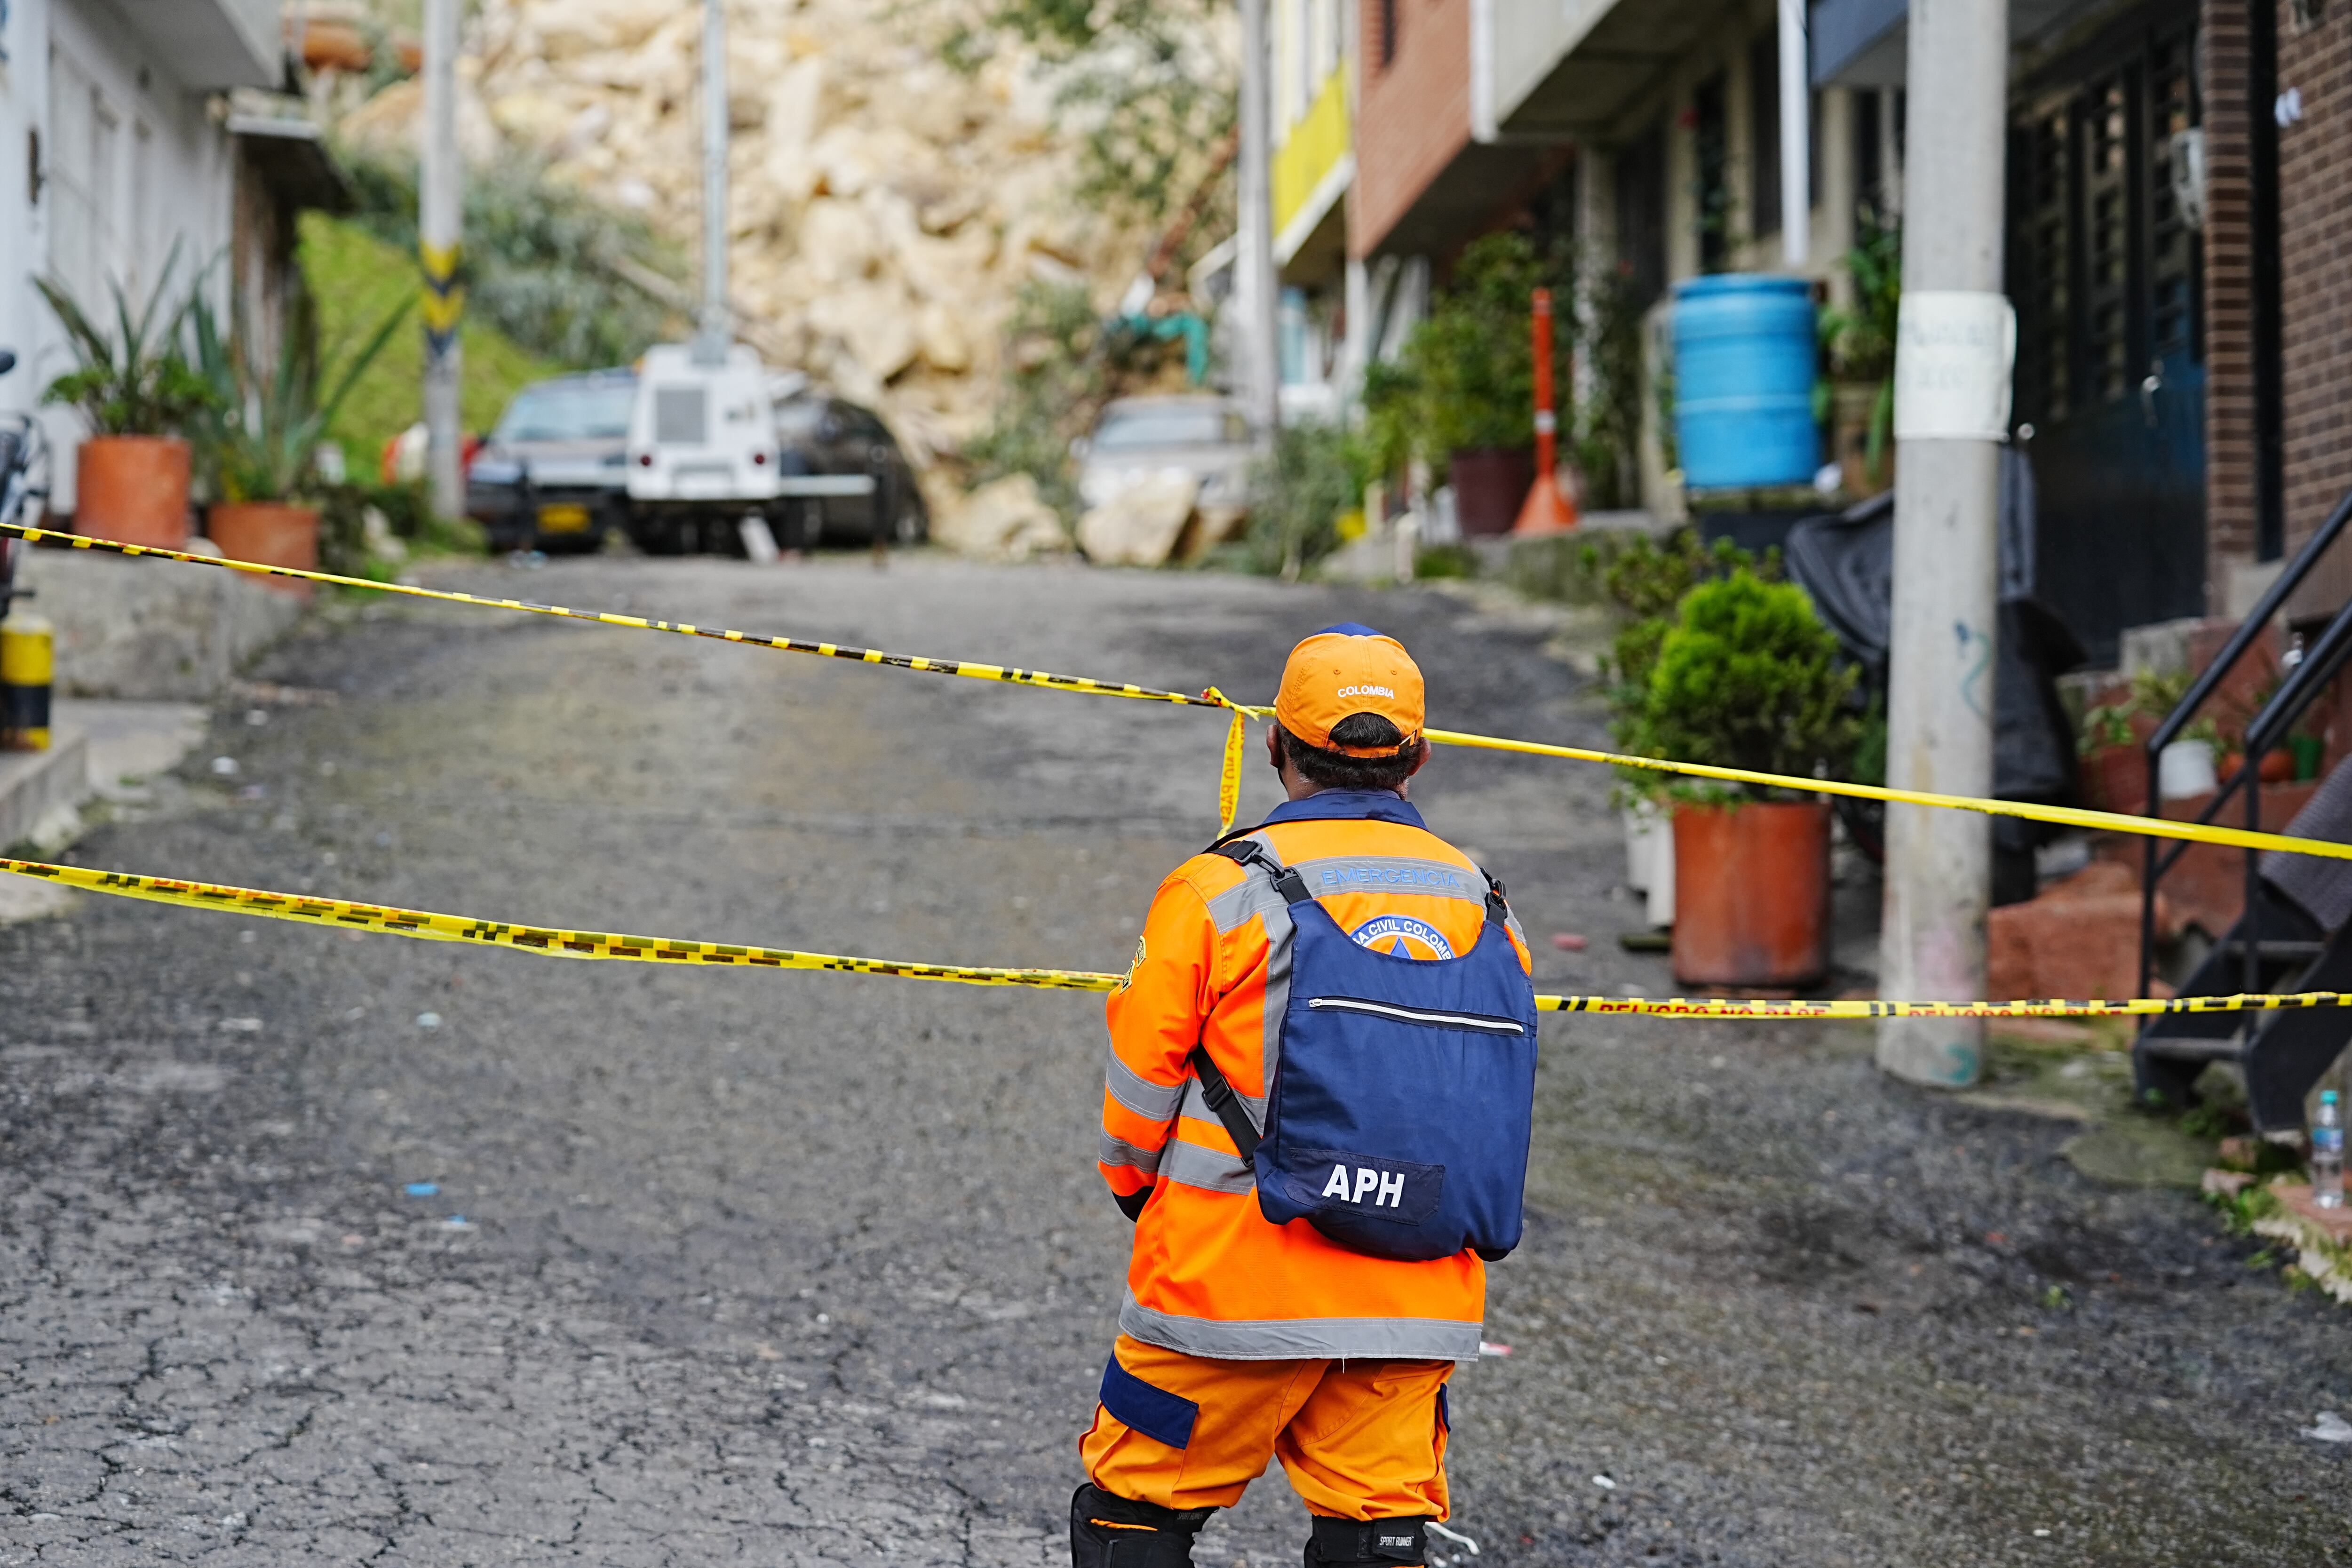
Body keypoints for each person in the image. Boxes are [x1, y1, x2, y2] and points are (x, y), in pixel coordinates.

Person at [1074, 625, 1537, 1568]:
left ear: (1276, 745)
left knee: (1134, 1515)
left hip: (1227, 1287)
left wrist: (1137, 1192)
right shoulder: (1485, 902)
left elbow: (1141, 1081)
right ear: (1419, 757)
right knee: (1378, 1536)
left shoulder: (1219, 888)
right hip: (1411, 1297)